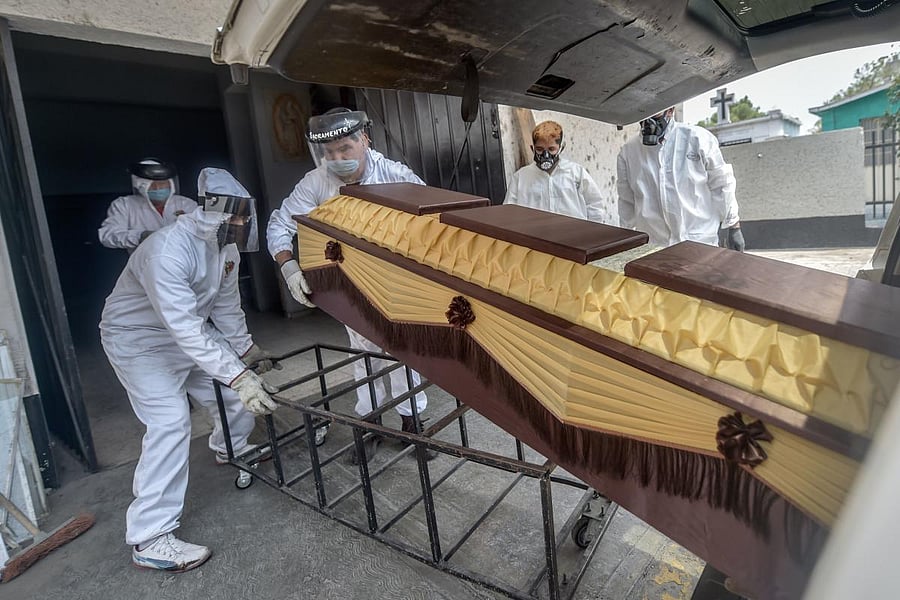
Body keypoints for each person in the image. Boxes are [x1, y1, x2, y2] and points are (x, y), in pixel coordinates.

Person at [100, 167, 278, 572]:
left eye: (243, 217)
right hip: (139, 340)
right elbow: (183, 327)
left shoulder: (226, 249)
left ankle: (231, 448)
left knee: (233, 390)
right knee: (170, 421)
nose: (240, 224)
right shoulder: (167, 251)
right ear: (209, 211)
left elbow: (226, 309)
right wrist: (236, 372)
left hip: (187, 331)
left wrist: (246, 352)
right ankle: (149, 537)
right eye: (232, 217)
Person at [267, 107, 432, 463]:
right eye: (330, 153)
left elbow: (432, 224)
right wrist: (290, 267)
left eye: (345, 149)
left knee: (404, 352)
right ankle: (370, 424)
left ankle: (412, 423)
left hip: (394, 281)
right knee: (364, 354)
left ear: (364, 141)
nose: (337, 159)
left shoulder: (395, 176)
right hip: (349, 282)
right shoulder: (315, 183)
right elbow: (280, 225)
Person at [616, 107, 745, 251]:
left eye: (655, 112)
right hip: (654, 246)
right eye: (643, 113)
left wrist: (734, 226)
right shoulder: (628, 152)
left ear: (670, 110)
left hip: (699, 241)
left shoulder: (698, 139)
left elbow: (722, 183)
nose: (648, 120)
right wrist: (625, 238)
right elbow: (626, 201)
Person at [504, 120, 614, 223]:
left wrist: (592, 233)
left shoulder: (576, 173)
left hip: (573, 237)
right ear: (532, 149)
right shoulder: (521, 177)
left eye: (551, 149)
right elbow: (509, 213)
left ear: (561, 148)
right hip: (534, 238)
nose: (545, 155)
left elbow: (594, 205)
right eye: (540, 149)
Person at [98, 158, 198, 251]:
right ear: (140, 186)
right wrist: (141, 236)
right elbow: (108, 236)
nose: (158, 189)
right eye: (153, 185)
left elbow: (203, 232)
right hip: (143, 265)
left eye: (163, 184)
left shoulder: (186, 204)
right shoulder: (124, 205)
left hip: (185, 262)